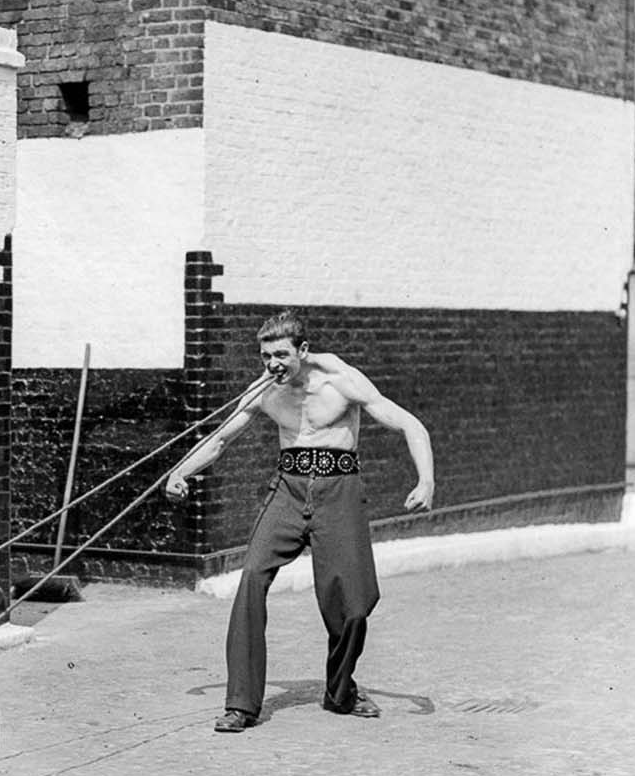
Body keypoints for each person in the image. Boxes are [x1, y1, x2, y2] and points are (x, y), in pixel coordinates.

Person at [165, 311, 434, 733]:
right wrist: (179, 473)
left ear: (303, 351)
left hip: (339, 490)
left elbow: (409, 424)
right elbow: (219, 439)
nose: (272, 364)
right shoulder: (265, 390)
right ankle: (241, 703)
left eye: (281, 355)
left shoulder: (341, 380)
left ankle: (341, 691)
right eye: (265, 356)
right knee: (252, 576)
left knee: (355, 606)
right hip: (287, 489)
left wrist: (427, 479)